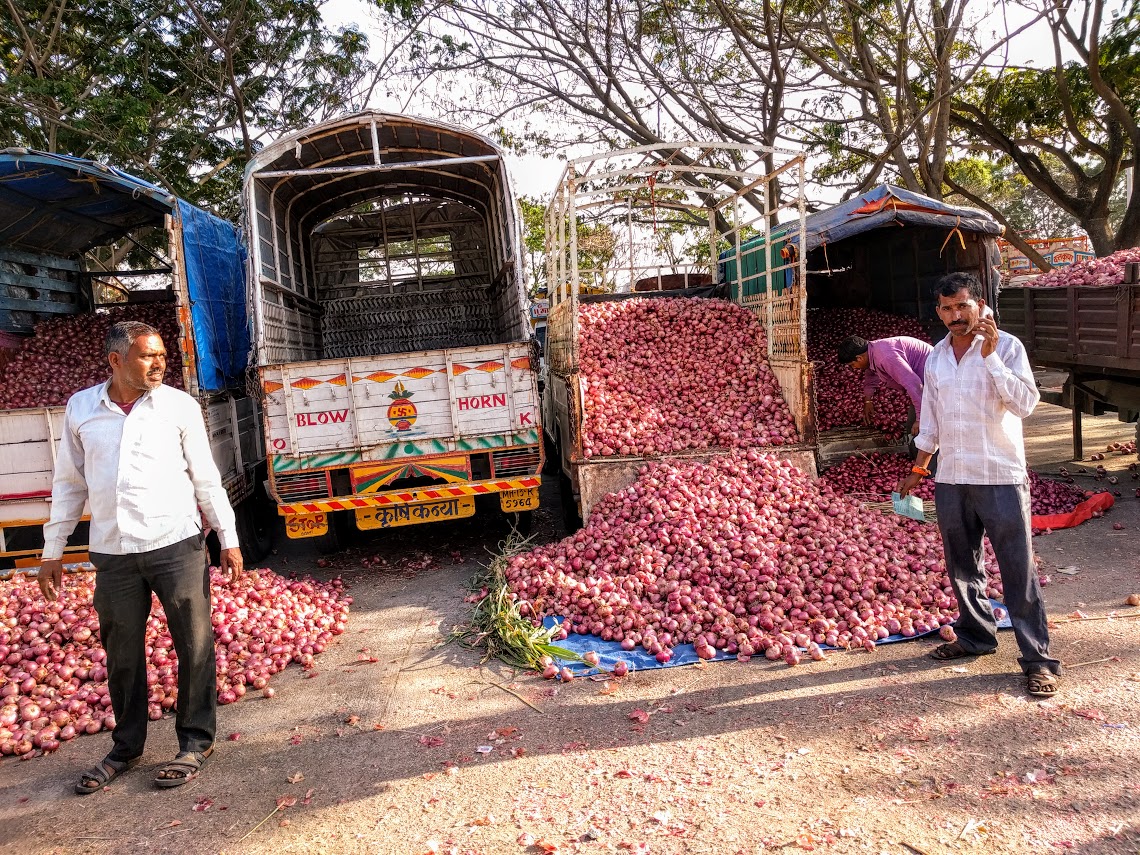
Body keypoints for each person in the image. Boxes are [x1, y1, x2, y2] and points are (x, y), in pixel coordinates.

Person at [39, 320, 243, 793]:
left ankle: (195, 742)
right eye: (147, 355)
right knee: (122, 654)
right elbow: (70, 483)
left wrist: (228, 539)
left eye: (161, 356)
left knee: (194, 645)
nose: (158, 363)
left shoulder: (178, 406)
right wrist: (53, 550)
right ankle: (127, 748)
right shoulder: (81, 409)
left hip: (175, 544)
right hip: (113, 552)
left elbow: (205, 478)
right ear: (116, 360)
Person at [897, 272, 1061, 698]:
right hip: (952, 475)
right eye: (947, 309)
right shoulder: (935, 357)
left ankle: (1038, 660)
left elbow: (1025, 404)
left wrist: (991, 358)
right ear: (938, 311)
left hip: (999, 474)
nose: (955, 316)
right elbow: (930, 418)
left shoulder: (1007, 346)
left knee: (1016, 567)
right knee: (962, 563)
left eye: (962, 307)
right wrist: (919, 468)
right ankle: (976, 636)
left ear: (980, 304)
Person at [836, 334, 933, 436]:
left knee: (923, 431)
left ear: (859, 358)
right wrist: (868, 400)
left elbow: (914, 385)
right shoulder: (872, 351)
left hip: (936, 379)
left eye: (852, 365)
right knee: (913, 429)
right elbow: (871, 376)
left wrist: (920, 419)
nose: (854, 368)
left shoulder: (886, 357)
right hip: (924, 383)